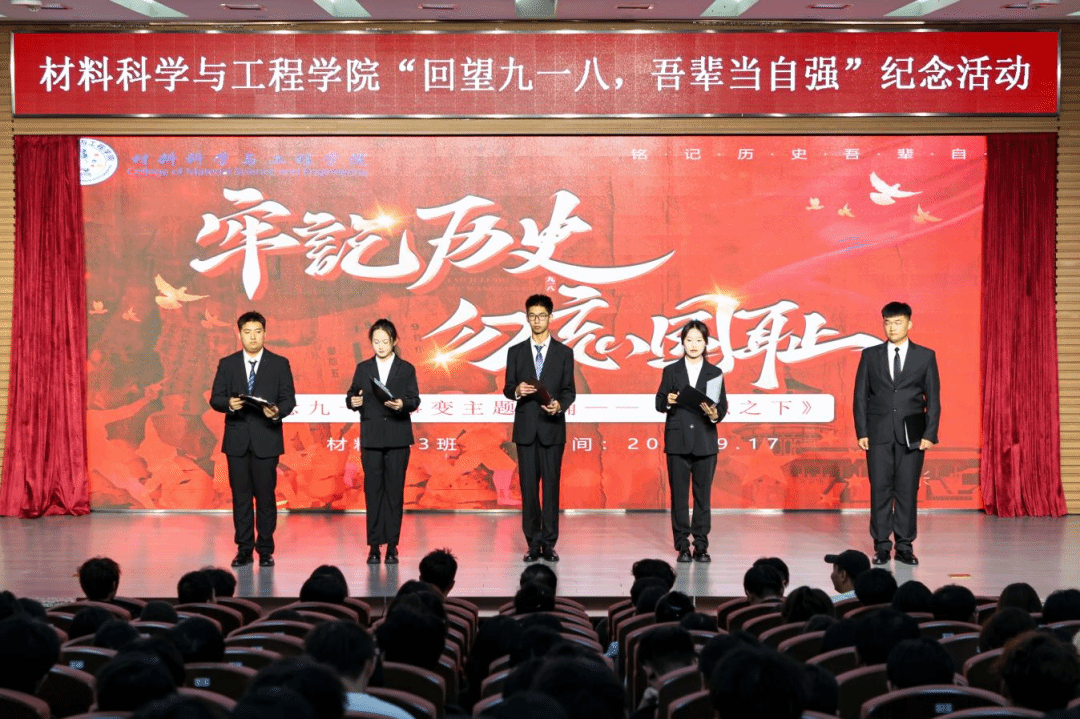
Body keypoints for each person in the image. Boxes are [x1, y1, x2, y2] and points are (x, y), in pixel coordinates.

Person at [854, 301, 940, 566]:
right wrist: (862, 431)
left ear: (909, 324)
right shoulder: (870, 355)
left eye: (898, 322)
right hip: (878, 433)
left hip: (912, 435)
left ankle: (904, 546)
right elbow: (860, 397)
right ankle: (881, 546)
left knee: (907, 490)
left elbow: (934, 398)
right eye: (888, 323)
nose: (892, 328)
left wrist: (930, 433)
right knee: (879, 490)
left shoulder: (925, 356)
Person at [210, 310, 296, 568]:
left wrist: (277, 411)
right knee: (241, 498)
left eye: (257, 332)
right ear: (239, 335)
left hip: (266, 439)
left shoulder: (279, 363)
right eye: (247, 332)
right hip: (237, 441)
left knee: (266, 497)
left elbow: (289, 399)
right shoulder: (228, 364)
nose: (253, 337)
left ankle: (266, 549)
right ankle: (244, 549)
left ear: (265, 333)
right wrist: (230, 403)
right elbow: (215, 398)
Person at [502, 294, 576, 562]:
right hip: (526, 430)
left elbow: (569, 391)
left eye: (542, 316)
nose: (537, 320)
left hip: (552, 428)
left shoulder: (564, 353)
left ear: (550, 318)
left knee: (551, 489)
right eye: (532, 316)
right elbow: (507, 388)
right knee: (529, 490)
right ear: (527, 318)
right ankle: (533, 543)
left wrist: (560, 406)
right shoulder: (516, 352)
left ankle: (549, 543)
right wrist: (517, 390)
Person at [346, 319, 421, 565]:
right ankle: (374, 546)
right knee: (373, 492)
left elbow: (414, 399)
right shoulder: (363, 368)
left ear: (394, 341)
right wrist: (353, 402)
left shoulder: (406, 368)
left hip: (398, 437)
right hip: (372, 437)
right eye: (376, 341)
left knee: (394, 493)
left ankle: (392, 546)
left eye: (385, 341)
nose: (380, 346)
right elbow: (351, 395)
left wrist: (402, 404)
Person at [655, 319, 728, 563]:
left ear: (706, 343)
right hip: (678, 441)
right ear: (682, 342)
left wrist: (714, 413)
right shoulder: (671, 371)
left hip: (705, 441)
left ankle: (701, 545)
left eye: (698, 340)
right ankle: (682, 546)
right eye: (689, 340)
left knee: (702, 497)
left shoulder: (714, 373)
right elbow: (659, 403)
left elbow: (721, 407)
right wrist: (669, 400)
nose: (694, 344)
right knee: (679, 497)